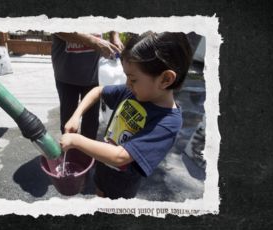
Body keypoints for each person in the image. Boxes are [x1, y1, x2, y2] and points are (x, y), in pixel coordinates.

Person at [59, 32, 193, 199]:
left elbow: (120, 156)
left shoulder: (168, 122)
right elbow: (98, 90)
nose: (127, 84)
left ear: (165, 79)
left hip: (123, 183)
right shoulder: (133, 92)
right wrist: (76, 115)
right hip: (103, 166)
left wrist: (76, 141)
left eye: (133, 79)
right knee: (99, 193)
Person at [51, 31, 124, 139]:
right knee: (68, 117)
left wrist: (114, 36)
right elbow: (57, 28)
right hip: (66, 72)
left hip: (95, 73)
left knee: (92, 121)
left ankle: (87, 153)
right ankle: (69, 152)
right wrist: (93, 41)